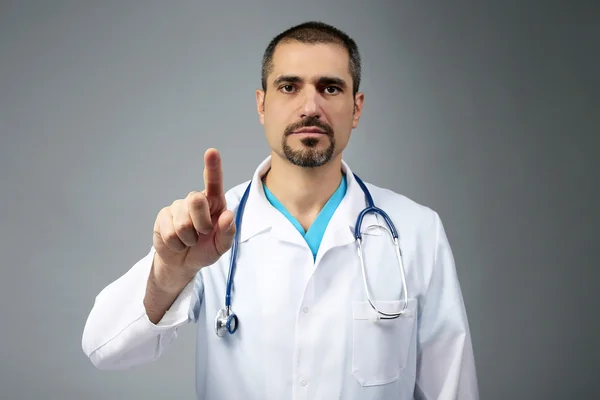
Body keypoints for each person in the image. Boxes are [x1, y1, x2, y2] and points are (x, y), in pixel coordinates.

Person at [82, 21, 479, 400]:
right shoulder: (209, 229)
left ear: (356, 108)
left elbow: (452, 387)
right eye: (289, 87)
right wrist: (171, 273)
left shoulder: (415, 230)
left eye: (330, 88)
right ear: (262, 104)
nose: (310, 106)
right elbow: (104, 348)